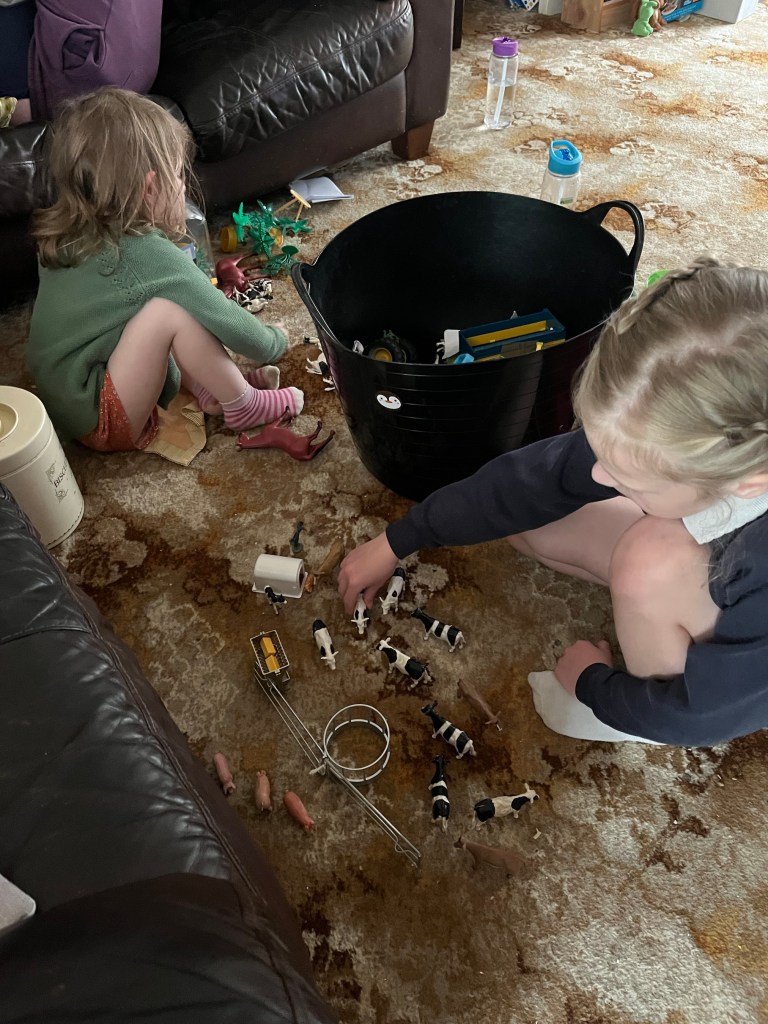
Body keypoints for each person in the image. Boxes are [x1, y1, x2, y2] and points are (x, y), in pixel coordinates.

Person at [338, 258, 768, 747]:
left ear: (749, 481)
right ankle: (657, 584)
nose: (599, 476)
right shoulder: (697, 434)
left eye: (631, 477)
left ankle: (637, 713)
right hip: (721, 546)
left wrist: (595, 686)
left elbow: (701, 716)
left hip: (736, 666)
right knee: (527, 520)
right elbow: (531, 482)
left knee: (647, 559)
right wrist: (399, 538)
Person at [27, 88, 303, 452]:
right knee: (170, 312)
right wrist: (273, 341)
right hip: (99, 418)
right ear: (149, 188)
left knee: (156, 307)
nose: (183, 184)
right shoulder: (144, 253)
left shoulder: (66, 232)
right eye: (177, 175)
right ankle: (244, 404)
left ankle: (213, 386)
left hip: (66, 398)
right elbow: (222, 316)